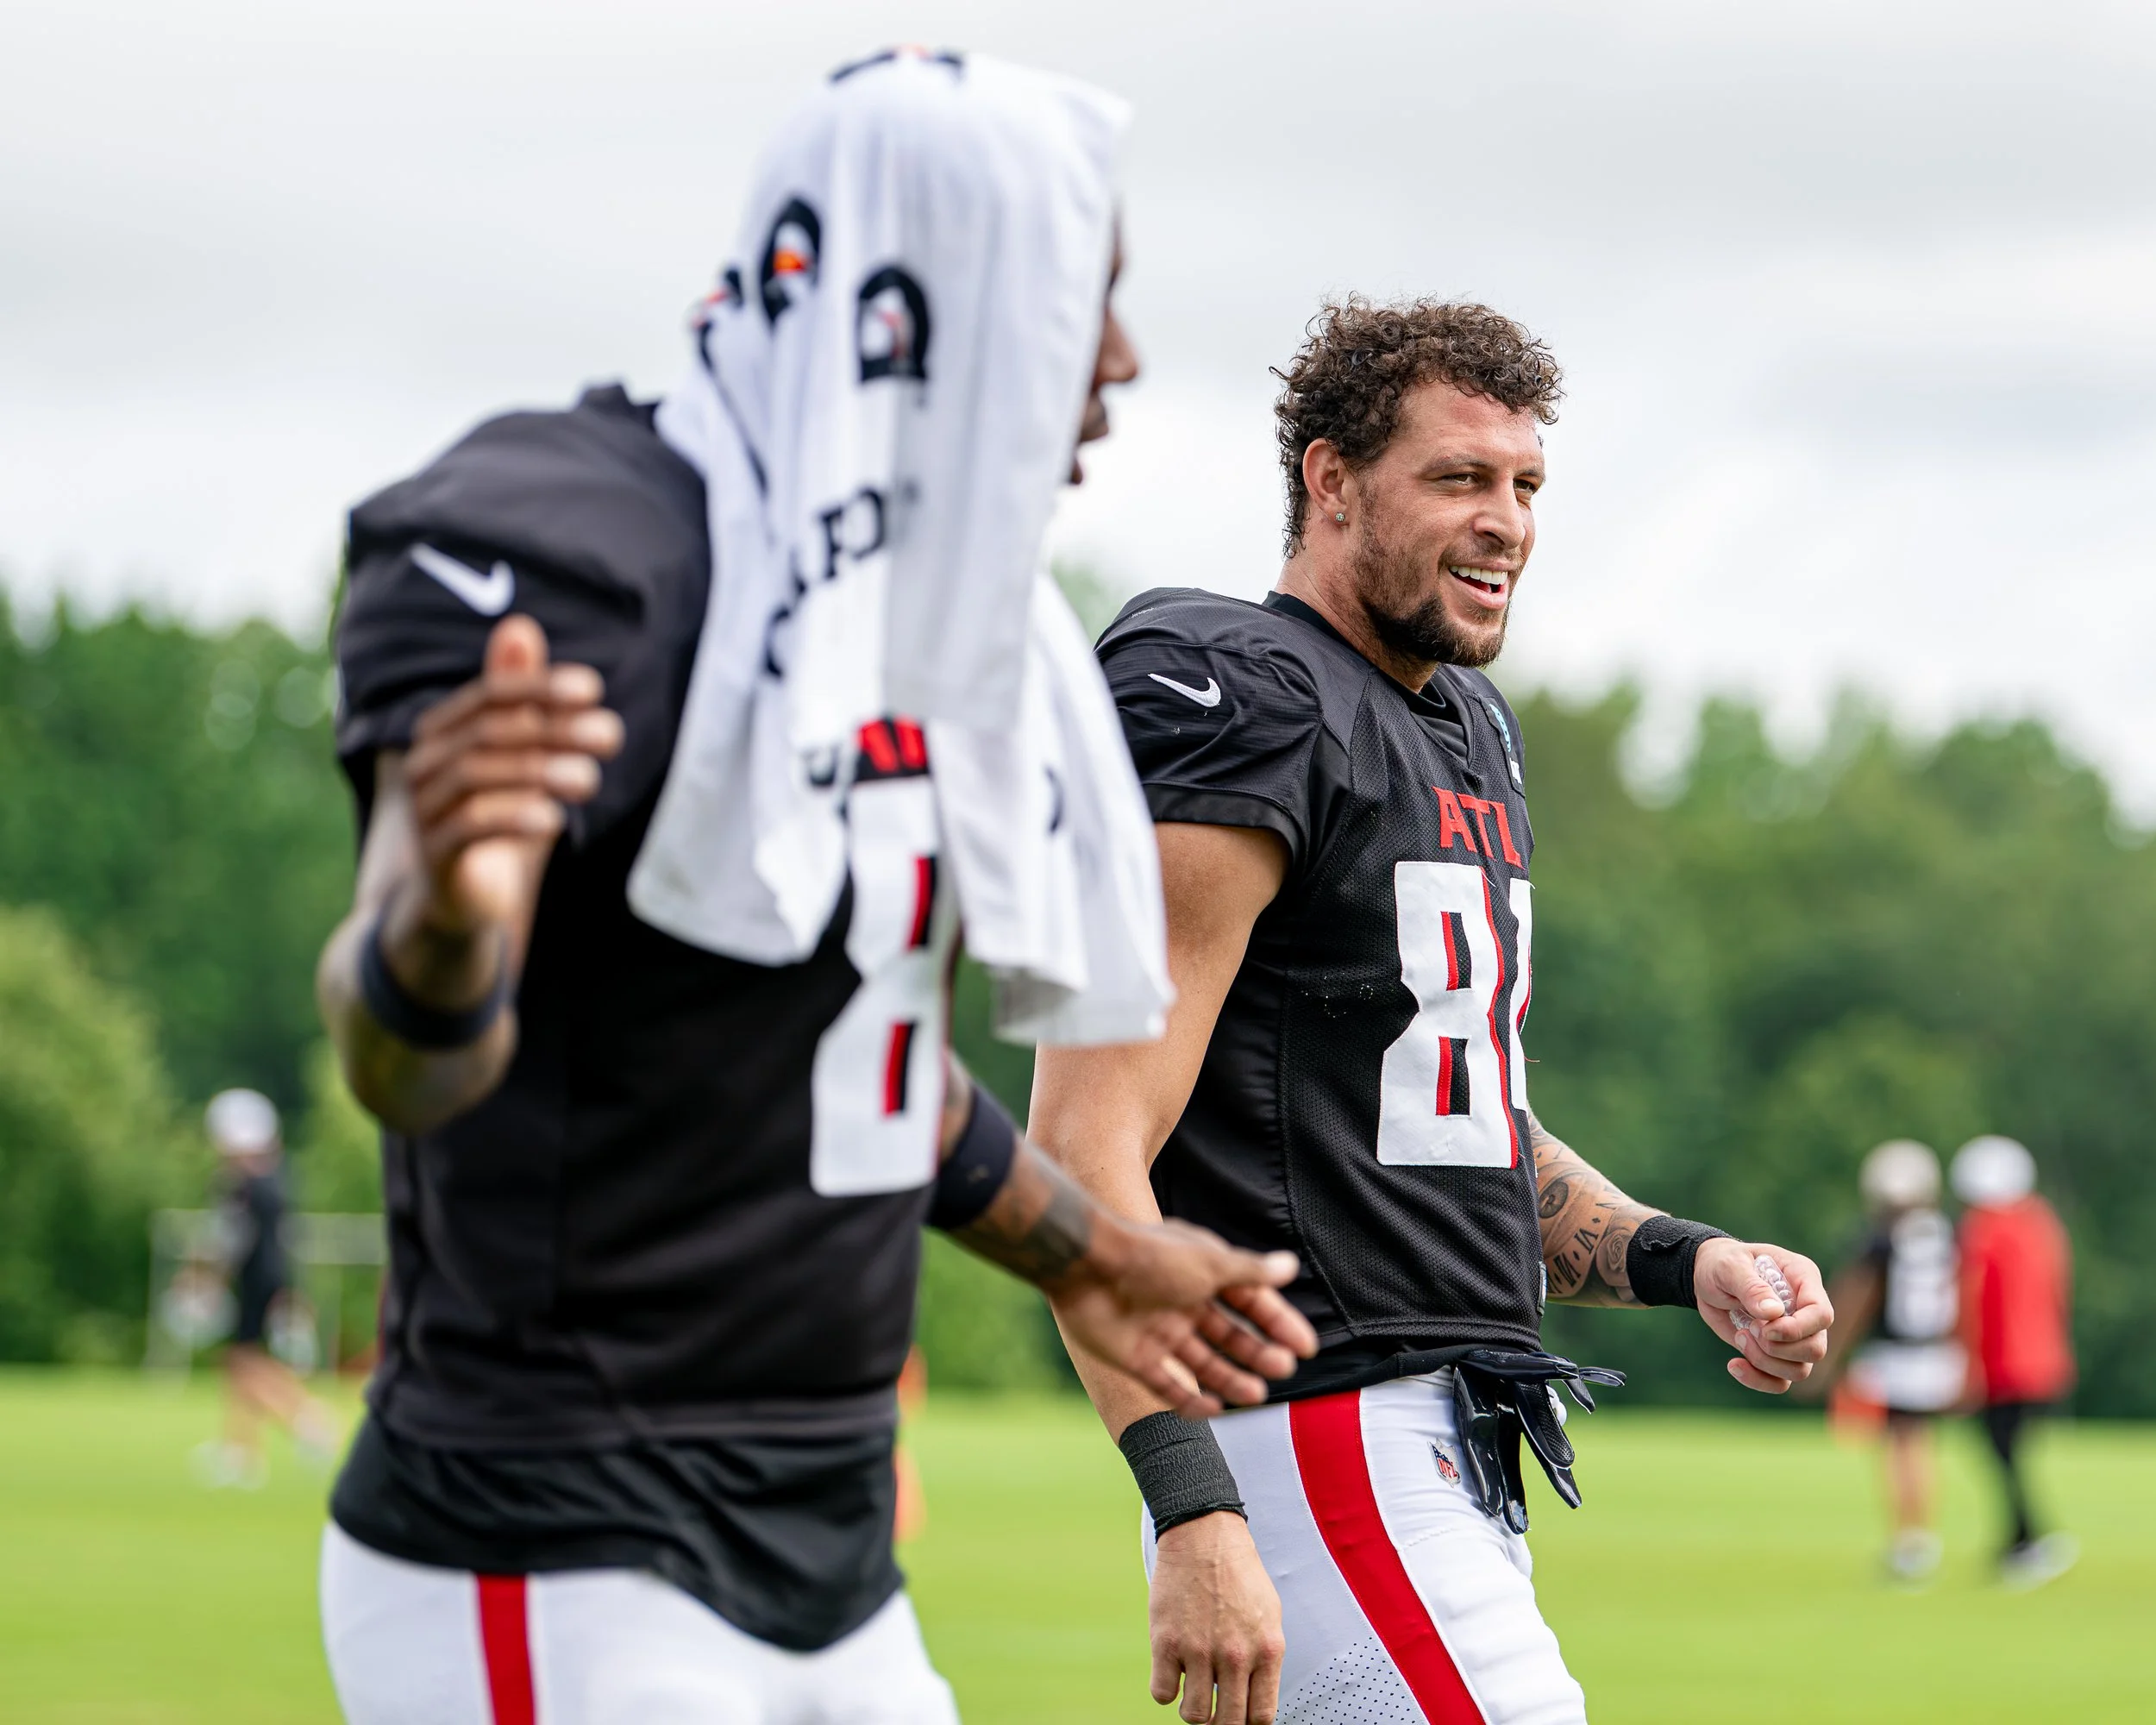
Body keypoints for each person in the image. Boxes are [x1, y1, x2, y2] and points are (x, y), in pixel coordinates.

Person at [311, 52, 1314, 1725]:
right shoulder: (575, 553)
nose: (1121, 363)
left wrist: (1082, 1253)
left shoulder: (905, 615)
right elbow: (405, 1062)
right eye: (1087, 297)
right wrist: (433, 915)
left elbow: (846, 1061)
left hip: (833, 1564)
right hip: (552, 1539)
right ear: (918, 305)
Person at [1030, 298, 1833, 1725]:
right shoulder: (1246, 695)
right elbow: (1086, 1151)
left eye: (1526, 486)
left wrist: (1678, 1257)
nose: (1506, 523)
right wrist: (1190, 1498)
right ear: (1330, 482)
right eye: (1459, 479)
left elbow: (1447, 1130)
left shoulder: (1463, 728)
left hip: (1445, 1448)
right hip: (1318, 1439)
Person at [1815, 1139, 1964, 1585]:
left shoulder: (1883, 1241)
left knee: (1901, 1449)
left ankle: (1910, 1542)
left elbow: (1858, 1298)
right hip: (1939, 1354)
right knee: (1919, 1445)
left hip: (1898, 1357)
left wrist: (1828, 1354)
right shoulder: (1946, 1232)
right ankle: (1917, 1538)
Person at [191, 1088, 337, 1489]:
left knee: (243, 1364)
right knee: (241, 1363)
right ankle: (241, 1452)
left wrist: (207, 1281)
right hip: (275, 1277)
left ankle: (307, 1420)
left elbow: (231, 1240)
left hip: (253, 1279)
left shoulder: (239, 1183)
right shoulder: (278, 1176)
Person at [1951, 1133, 2078, 1590]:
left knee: (2002, 1451)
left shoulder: (1982, 1230)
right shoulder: (2042, 1222)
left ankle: (2026, 1540)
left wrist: (1967, 1367)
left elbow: (1972, 1301)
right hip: (2042, 1361)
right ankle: (2019, 1540)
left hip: (2002, 1365)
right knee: (2009, 1451)